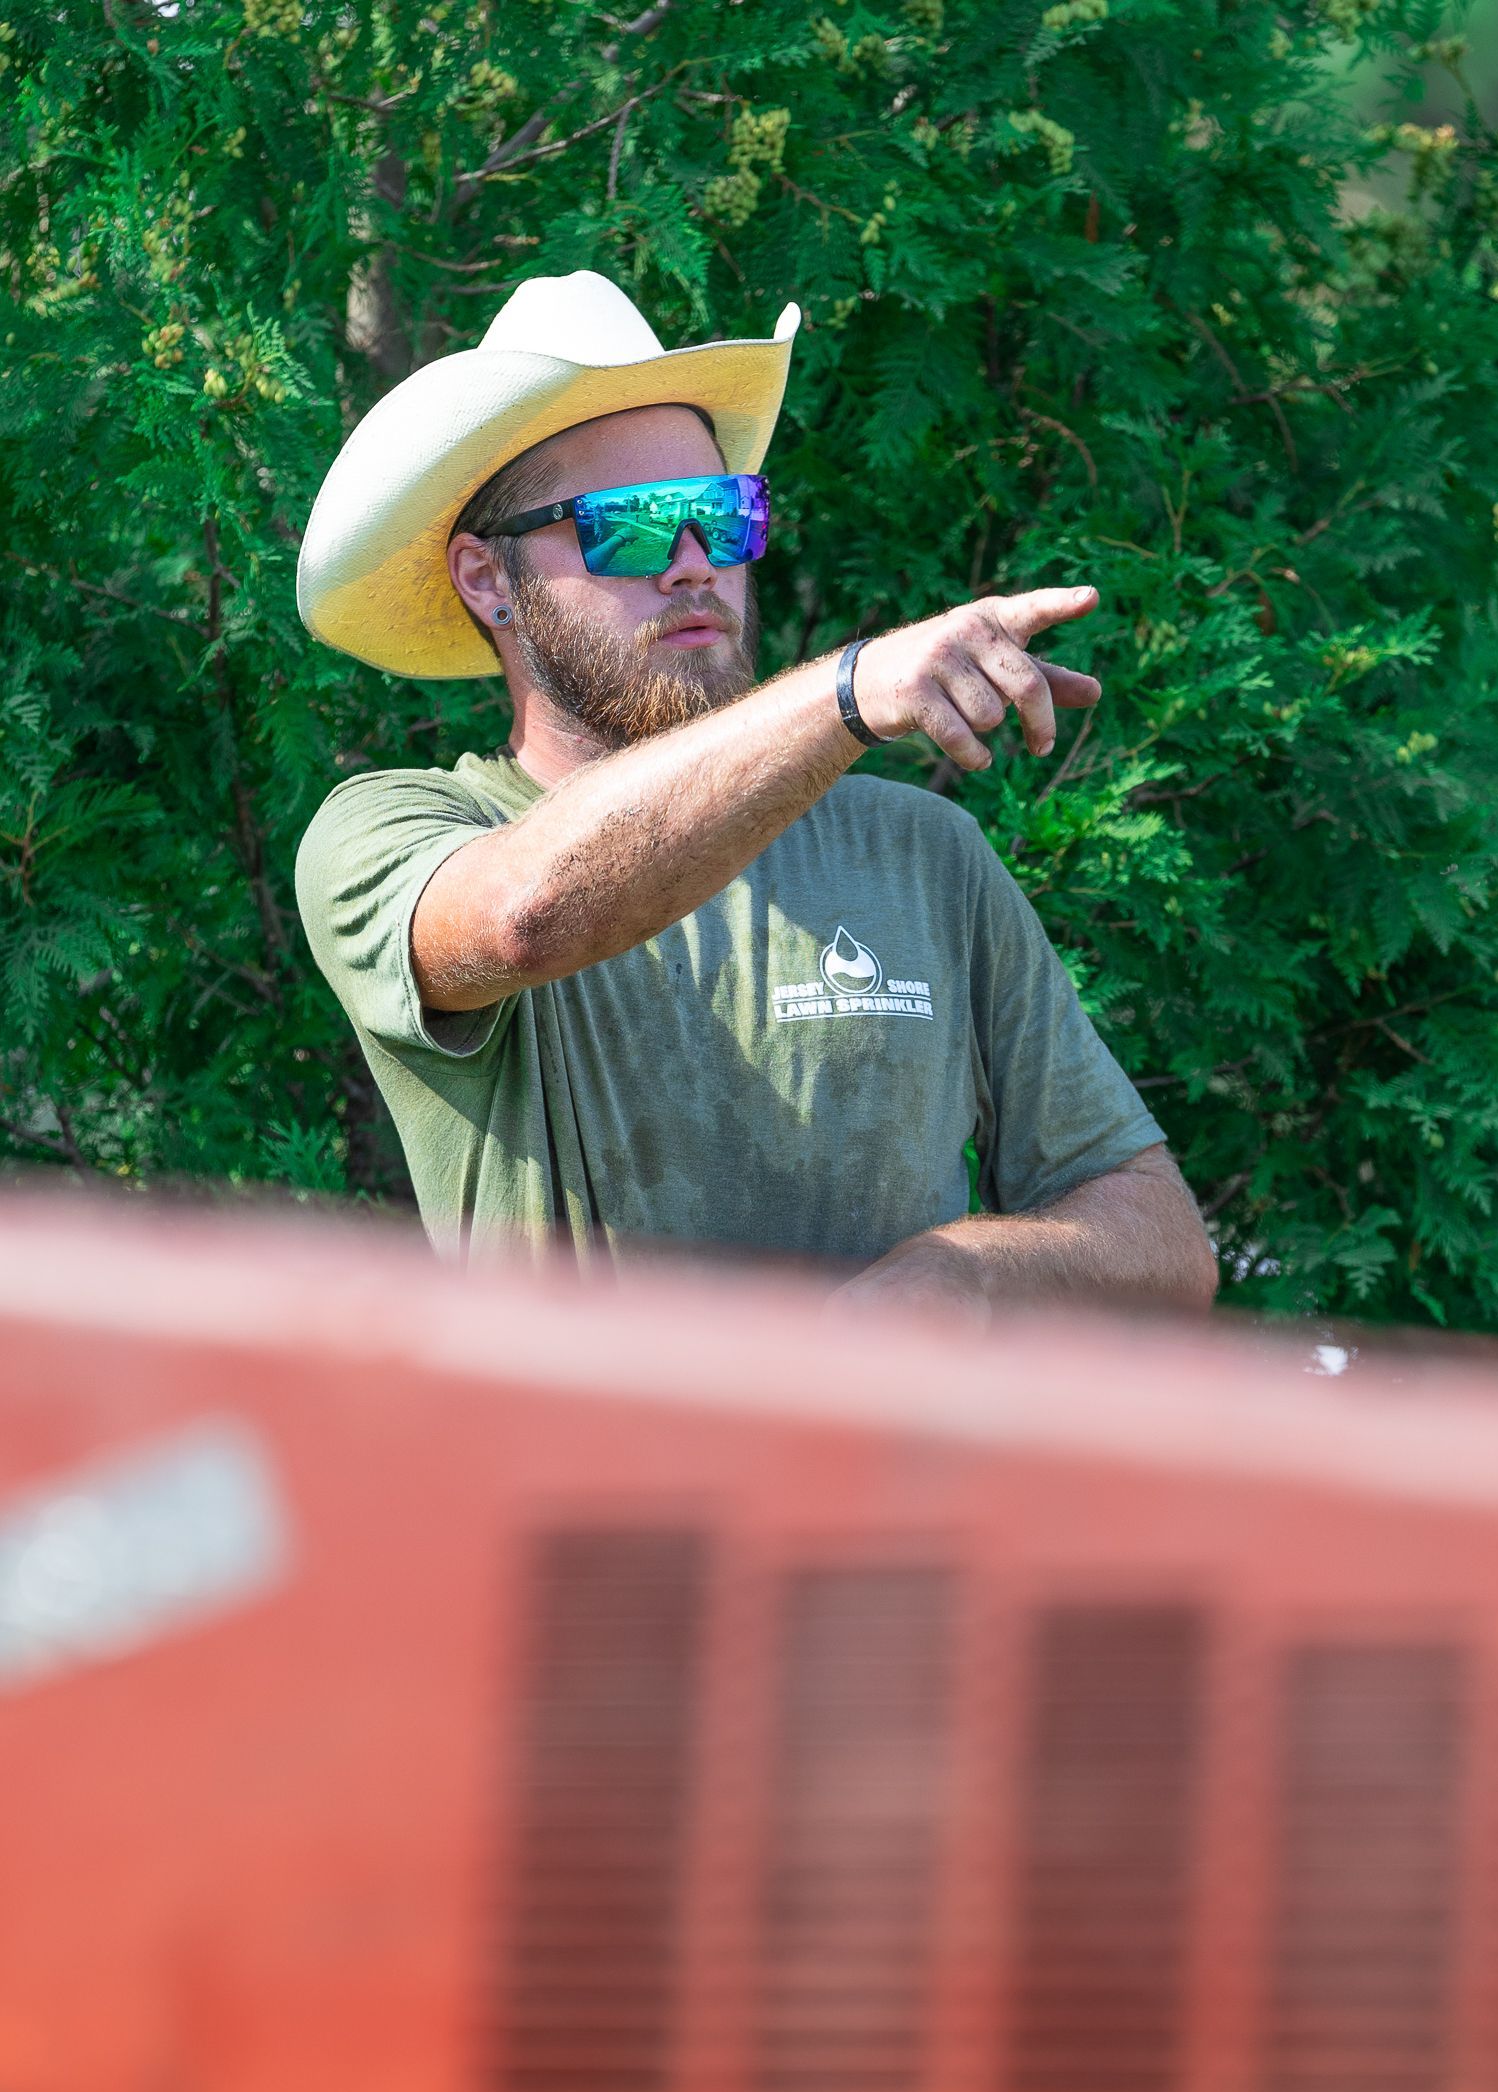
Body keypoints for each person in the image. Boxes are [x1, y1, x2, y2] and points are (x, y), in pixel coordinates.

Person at [294, 272, 1216, 1317]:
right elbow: (525, 916)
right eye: (633, 526)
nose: (694, 564)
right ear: (484, 578)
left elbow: (1164, 1242)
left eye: (720, 516)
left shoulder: (924, 853)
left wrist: (965, 1272)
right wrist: (849, 691)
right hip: (590, 1485)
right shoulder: (393, 833)